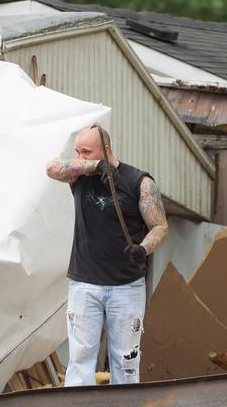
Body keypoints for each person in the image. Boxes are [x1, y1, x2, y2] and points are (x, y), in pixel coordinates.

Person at [45, 125, 168, 386]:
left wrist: (144, 248)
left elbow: (160, 226)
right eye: (78, 151)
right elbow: (52, 168)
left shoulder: (139, 182)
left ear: (106, 149)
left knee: (125, 360)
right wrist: (93, 167)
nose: (80, 156)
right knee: (80, 359)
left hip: (127, 286)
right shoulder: (80, 175)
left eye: (87, 151)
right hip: (85, 282)